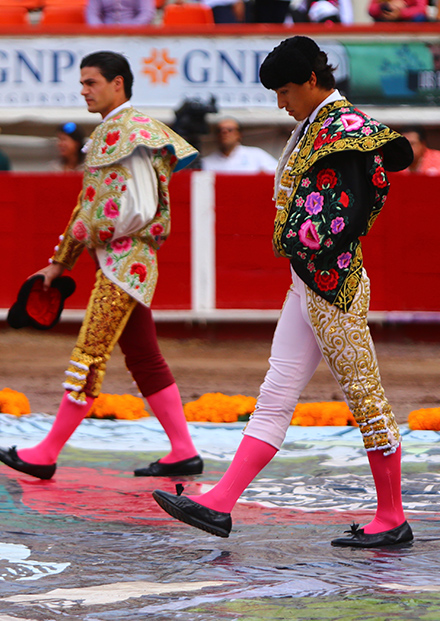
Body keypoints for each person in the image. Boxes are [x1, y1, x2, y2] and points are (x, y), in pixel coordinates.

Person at [152, 36, 415, 548]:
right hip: (307, 281)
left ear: (312, 80)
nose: (280, 102)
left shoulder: (344, 128)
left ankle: (392, 517)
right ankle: (220, 502)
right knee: (276, 392)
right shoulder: (317, 125)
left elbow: (353, 203)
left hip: (334, 286)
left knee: (366, 396)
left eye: (286, 91)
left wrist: (306, 240)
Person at [0, 51, 203, 481]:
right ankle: (183, 450)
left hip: (126, 264)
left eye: (91, 83)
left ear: (117, 84)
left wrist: (95, 232)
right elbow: (84, 207)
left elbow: (139, 208)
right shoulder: (110, 132)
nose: (84, 91)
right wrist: (59, 264)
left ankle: (46, 453)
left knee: (89, 353)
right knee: (143, 356)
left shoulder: (134, 134)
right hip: (119, 261)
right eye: (82, 83)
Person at [200, 118, 278, 174]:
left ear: (239, 134)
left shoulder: (256, 155)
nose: (225, 133)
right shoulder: (206, 162)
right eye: (220, 131)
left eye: (230, 130)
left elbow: (277, 174)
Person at [85, 0, 154, 25]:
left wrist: (132, 29)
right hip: (105, 33)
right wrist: (100, 30)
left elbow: (147, 12)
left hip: (135, 33)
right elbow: (92, 14)